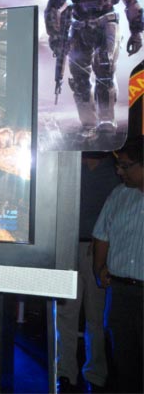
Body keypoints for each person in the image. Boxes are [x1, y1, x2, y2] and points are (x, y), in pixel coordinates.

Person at [44, 0, 143, 140]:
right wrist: (55, 36)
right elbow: (53, 7)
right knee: (79, 78)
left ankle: (106, 122)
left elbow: (131, 2)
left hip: (106, 24)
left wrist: (136, 33)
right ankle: (88, 124)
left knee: (105, 70)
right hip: (78, 27)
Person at [56, 152, 121, 393]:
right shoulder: (70, 164)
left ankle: (95, 373)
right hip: (68, 245)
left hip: (99, 249)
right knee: (66, 313)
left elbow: (119, 212)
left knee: (96, 315)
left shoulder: (115, 169)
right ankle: (65, 371)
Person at [92, 136, 144, 394]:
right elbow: (102, 234)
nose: (119, 172)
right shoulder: (119, 195)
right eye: (118, 166)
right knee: (123, 362)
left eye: (125, 166)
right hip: (120, 292)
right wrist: (99, 268)